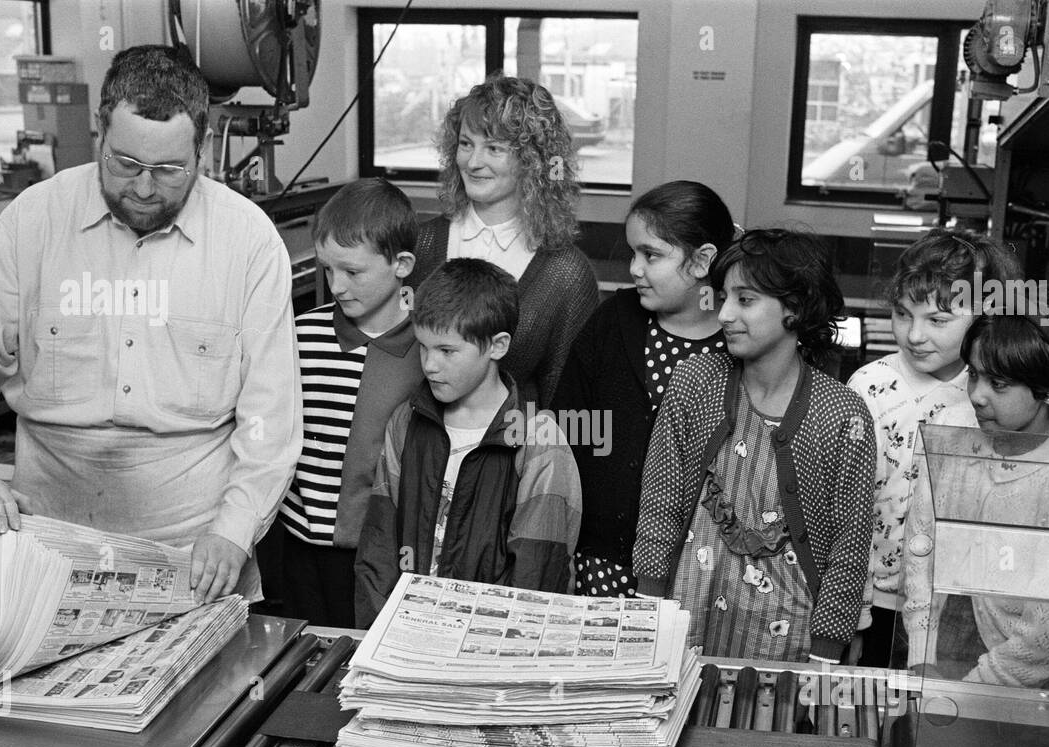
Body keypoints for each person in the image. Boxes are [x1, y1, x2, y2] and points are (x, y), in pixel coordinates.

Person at [0, 45, 302, 603]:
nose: (144, 189)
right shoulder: (33, 220)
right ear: (100, 133)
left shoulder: (248, 242)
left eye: (169, 171)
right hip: (45, 543)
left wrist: (235, 532)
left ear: (203, 149)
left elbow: (271, 417)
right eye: (125, 165)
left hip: (195, 553)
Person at [633, 228, 874, 664]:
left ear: (795, 309)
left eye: (745, 300)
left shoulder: (843, 414)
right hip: (686, 618)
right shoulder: (694, 383)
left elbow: (849, 543)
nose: (724, 314)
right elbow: (660, 501)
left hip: (789, 637)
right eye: (723, 296)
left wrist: (828, 647)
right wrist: (648, 605)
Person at [353, 258, 582, 626]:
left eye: (447, 351)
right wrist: (375, 632)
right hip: (405, 639)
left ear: (498, 346)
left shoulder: (538, 441)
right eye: (423, 347)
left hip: (490, 654)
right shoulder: (406, 421)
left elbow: (538, 576)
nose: (429, 365)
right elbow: (379, 546)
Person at [901, 305, 1049, 687]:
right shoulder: (950, 429)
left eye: (998, 384)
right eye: (974, 375)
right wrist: (920, 654)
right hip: (929, 646)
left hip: (1004, 677)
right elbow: (921, 541)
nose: (977, 395)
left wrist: (972, 690)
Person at [847, 228, 1023, 667]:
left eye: (938, 321)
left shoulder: (987, 396)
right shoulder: (868, 387)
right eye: (903, 314)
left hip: (953, 606)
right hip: (870, 601)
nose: (914, 335)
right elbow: (844, 503)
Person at [553, 180, 735, 597]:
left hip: (703, 572)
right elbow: (567, 426)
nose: (635, 268)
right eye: (634, 252)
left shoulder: (736, 343)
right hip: (601, 556)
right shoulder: (614, 321)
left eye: (651, 254)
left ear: (702, 260)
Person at [277, 179, 422, 627]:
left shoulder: (428, 349)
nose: (336, 286)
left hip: (382, 556)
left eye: (352, 272)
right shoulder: (299, 334)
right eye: (327, 269)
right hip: (296, 548)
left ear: (401, 265)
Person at [408, 73, 599, 408]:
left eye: (493, 148)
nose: (473, 162)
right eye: (466, 144)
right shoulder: (421, 244)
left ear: (533, 162)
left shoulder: (566, 275)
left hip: (513, 449)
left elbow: (564, 403)